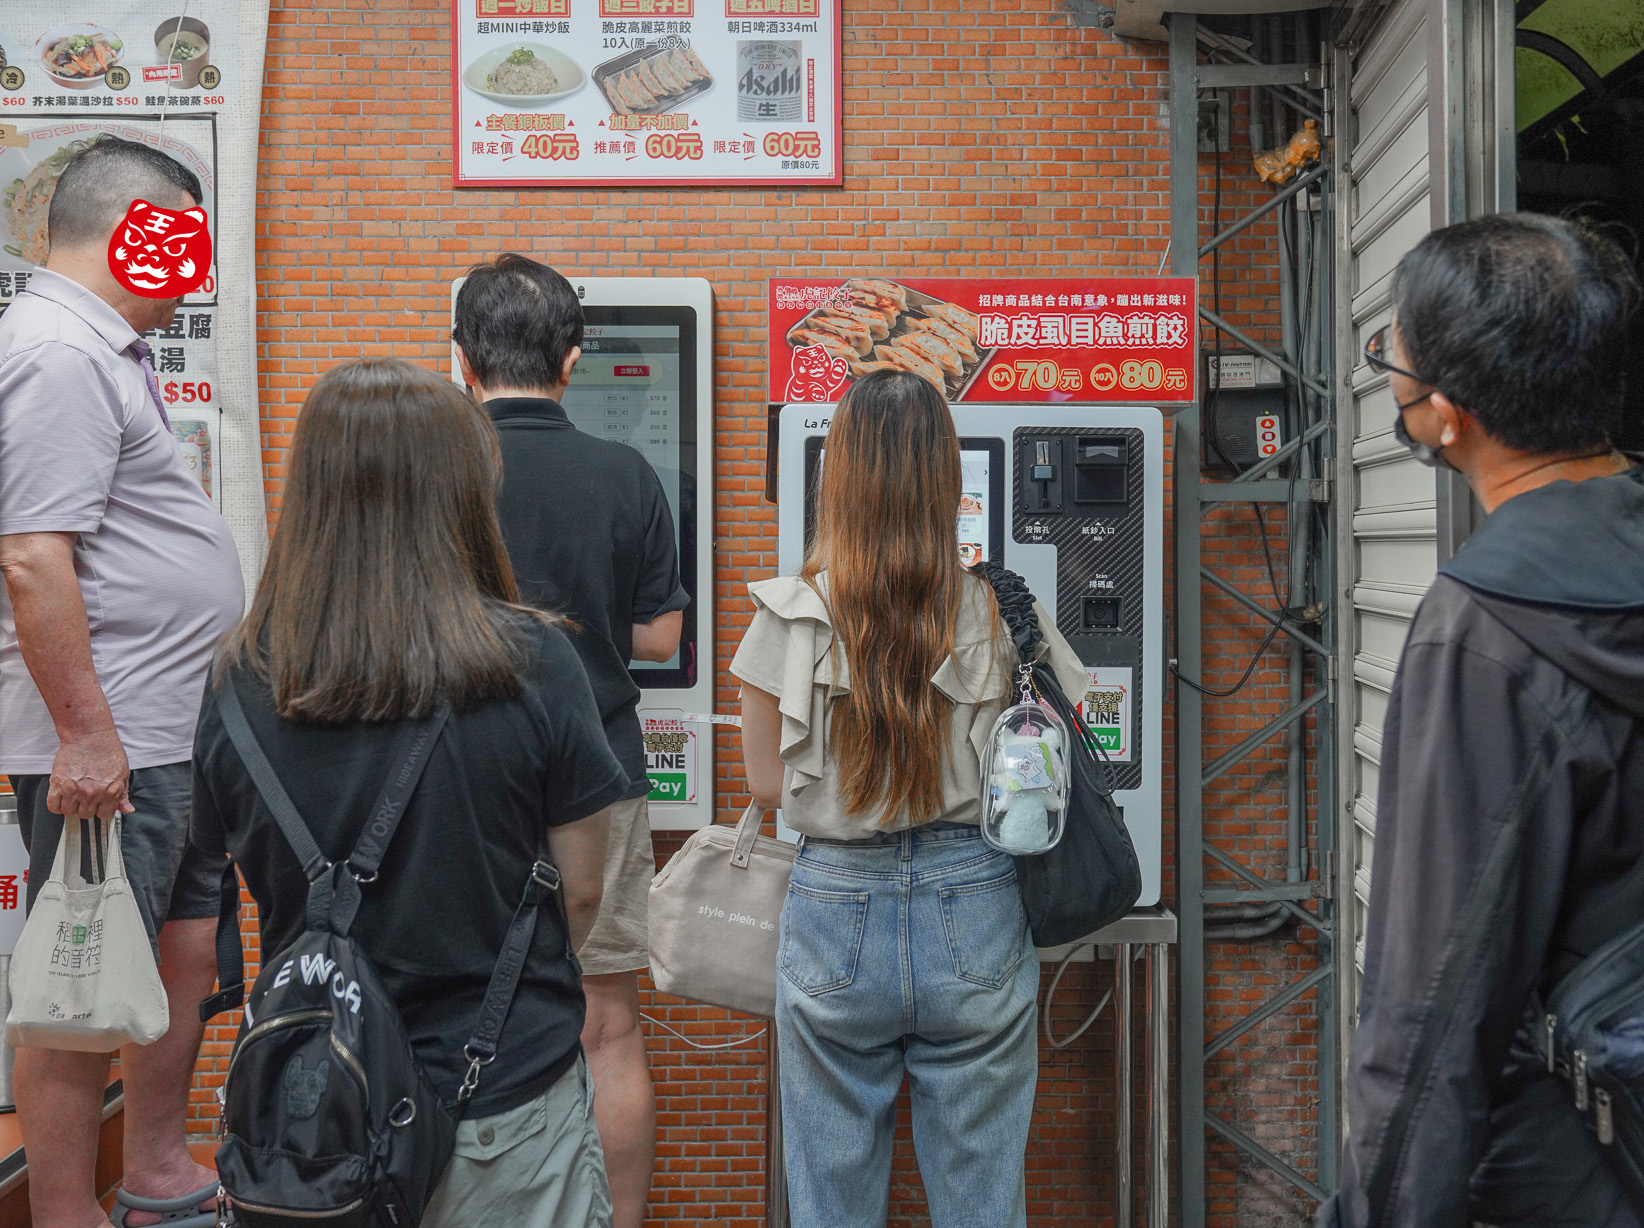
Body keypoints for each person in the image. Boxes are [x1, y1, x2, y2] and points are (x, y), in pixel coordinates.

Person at [1319, 213, 1644, 1227]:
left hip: (1580, 1151)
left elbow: (1430, 1004)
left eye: (1393, 352)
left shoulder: (1480, 633)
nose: (1386, 369)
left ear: (1446, 412)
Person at [190, 358, 625, 1226]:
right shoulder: (534, 662)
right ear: (463, 488)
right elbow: (581, 889)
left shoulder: (238, 676)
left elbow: (224, 872)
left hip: (312, 1123)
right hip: (499, 1100)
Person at [732, 370, 1086, 1226]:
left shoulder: (786, 614)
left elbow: (765, 785)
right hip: (975, 900)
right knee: (980, 1200)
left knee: (828, 1198)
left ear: (838, 477)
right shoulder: (1005, 609)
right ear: (945, 476)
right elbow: (1066, 747)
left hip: (832, 908)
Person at [0, 137, 245, 1228]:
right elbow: (30, 555)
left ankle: (150, 1160)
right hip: (115, 740)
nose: (192, 275)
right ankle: (62, 1209)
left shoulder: (102, 351)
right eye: (184, 243)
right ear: (138, 224)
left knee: (184, 949)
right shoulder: (53, 349)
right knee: (78, 984)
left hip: (173, 728)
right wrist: (88, 736)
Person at [451, 253, 688, 1228]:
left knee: (460, 1008)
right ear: (573, 357)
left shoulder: (442, 470)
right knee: (607, 1025)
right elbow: (661, 638)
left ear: (461, 359)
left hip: (458, 781)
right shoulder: (626, 473)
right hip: (596, 772)